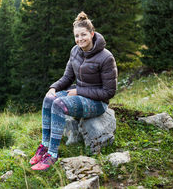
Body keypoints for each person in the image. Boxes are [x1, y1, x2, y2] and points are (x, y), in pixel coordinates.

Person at [30, 11, 118, 171]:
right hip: (81, 95)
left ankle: (52, 154)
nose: (80, 39)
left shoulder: (106, 58)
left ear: (92, 34)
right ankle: (45, 145)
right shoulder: (75, 51)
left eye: (83, 35)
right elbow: (67, 78)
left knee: (58, 104)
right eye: (76, 36)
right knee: (49, 99)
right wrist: (53, 87)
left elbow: (108, 92)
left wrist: (79, 91)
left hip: (98, 103)